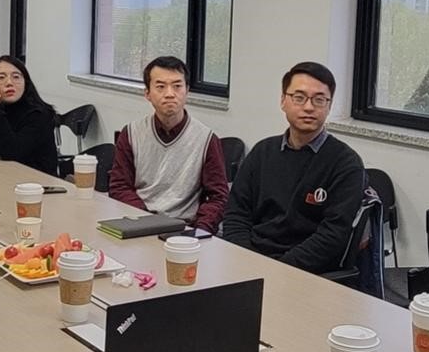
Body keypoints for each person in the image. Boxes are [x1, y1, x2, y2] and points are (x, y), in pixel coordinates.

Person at [220, 62, 366, 273]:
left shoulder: (346, 164)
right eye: (299, 97)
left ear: (329, 106)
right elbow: (236, 214)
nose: (309, 107)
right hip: (251, 260)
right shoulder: (262, 152)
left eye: (319, 100)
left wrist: (279, 270)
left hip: (305, 272)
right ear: (283, 101)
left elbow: (333, 235)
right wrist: (247, 260)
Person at [108, 56, 229, 232]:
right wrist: (146, 220)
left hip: (185, 227)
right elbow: (119, 187)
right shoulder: (131, 134)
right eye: (160, 87)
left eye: (177, 86)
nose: (170, 94)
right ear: (147, 93)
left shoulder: (206, 139)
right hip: (139, 223)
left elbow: (218, 197)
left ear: (187, 91)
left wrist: (200, 230)